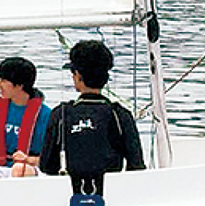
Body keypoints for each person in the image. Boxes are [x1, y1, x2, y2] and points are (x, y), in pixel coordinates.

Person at [39, 40, 144, 195]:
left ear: (78, 76)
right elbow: (136, 166)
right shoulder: (120, 115)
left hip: (70, 195)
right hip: (110, 196)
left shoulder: (61, 113)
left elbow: (47, 165)